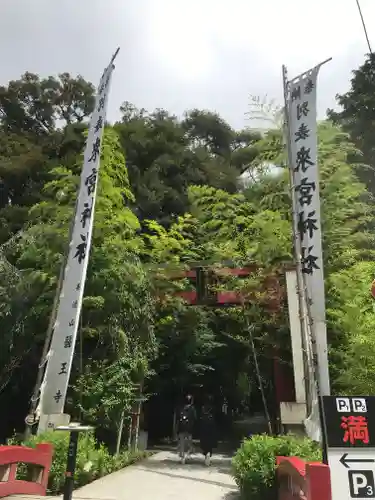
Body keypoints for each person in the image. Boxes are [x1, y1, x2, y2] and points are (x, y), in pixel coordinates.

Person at [177, 394, 196, 464]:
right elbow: (195, 418)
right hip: (189, 428)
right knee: (189, 442)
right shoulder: (192, 408)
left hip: (181, 428)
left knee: (181, 442)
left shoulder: (181, 408)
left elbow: (178, 418)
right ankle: (188, 453)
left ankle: (182, 457)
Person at [199, 396, 217, 466]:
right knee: (210, 440)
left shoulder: (203, 408)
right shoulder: (213, 408)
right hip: (211, 424)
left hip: (204, 424)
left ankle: (206, 452)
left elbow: (200, 416)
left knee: (204, 440)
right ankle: (209, 453)